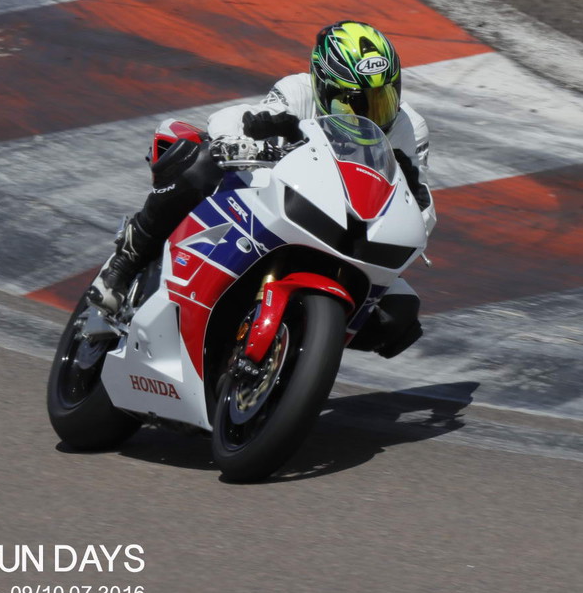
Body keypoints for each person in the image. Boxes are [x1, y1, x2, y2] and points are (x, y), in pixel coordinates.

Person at [86, 21, 431, 357]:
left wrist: (415, 210)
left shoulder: (409, 127)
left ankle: (297, 351)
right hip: (282, 196)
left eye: (384, 98)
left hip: (348, 226)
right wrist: (242, 138)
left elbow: (420, 206)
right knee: (202, 160)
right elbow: (239, 118)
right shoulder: (298, 91)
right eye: (355, 101)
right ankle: (127, 260)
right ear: (324, 87)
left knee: (399, 318)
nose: (372, 113)